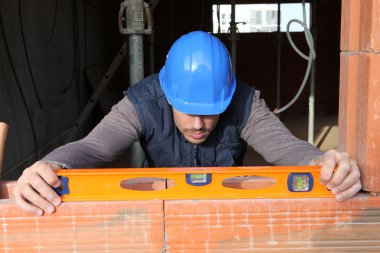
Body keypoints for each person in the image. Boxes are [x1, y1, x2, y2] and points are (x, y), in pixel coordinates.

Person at [13, 31, 361, 216]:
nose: (198, 123)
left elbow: (285, 147)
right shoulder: (141, 103)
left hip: (221, 209)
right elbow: (92, 146)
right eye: (187, 109)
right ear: (168, 94)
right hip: (157, 205)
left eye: (211, 111)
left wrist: (323, 162)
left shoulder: (243, 102)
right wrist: (50, 164)